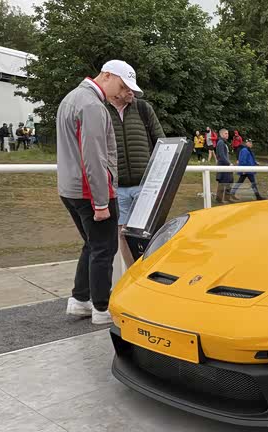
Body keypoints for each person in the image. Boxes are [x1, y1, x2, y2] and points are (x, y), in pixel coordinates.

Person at [57, 59, 142, 324]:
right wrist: (102, 202)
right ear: (107, 75)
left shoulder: (72, 98)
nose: (123, 92)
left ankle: (80, 299)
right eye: (122, 85)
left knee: (92, 245)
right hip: (90, 191)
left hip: (71, 188)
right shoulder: (92, 105)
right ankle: (101, 308)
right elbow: (94, 157)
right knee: (104, 249)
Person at [106, 86, 165, 269]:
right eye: (127, 88)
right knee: (123, 235)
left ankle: (153, 273)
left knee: (150, 234)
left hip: (145, 185)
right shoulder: (101, 111)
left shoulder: (143, 108)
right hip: (117, 187)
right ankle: (133, 274)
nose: (132, 92)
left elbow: (161, 141)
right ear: (115, 87)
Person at [215, 128, 235, 203]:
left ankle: (227, 198)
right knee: (222, 182)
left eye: (227, 133)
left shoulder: (224, 142)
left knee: (229, 181)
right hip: (223, 166)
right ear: (221, 134)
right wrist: (229, 163)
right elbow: (222, 155)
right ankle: (219, 199)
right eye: (226, 133)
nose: (227, 135)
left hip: (226, 166)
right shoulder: (221, 142)